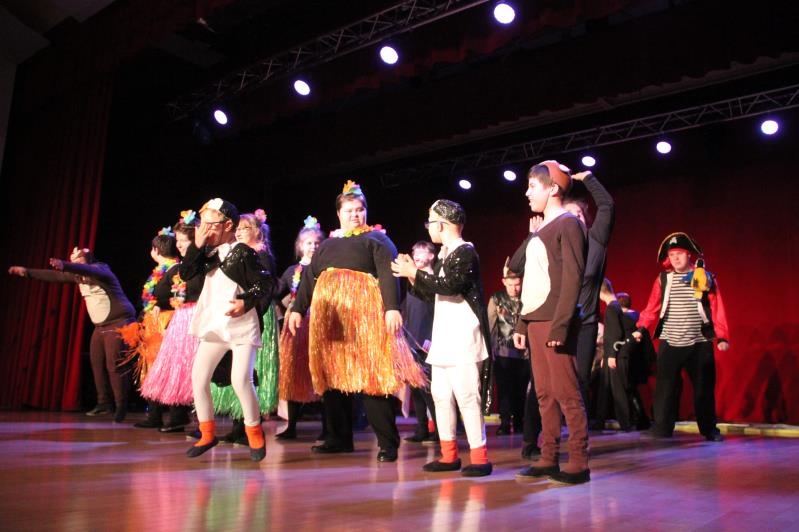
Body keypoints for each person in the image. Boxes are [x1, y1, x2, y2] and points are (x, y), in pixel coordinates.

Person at [287, 180, 425, 463]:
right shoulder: (327, 245)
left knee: (373, 379)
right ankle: (338, 438)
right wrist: (298, 309)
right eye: (349, 210)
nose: (355, 214)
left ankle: (387, 443)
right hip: (331, 323)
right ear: (339, 214)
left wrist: (391, 308)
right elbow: (310, 278)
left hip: (366, 320)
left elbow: (388, 274)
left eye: (359, 209)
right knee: (332, 377)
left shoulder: (376, 240)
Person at [392, 199, 493, 477]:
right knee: (440, 395)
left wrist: (415, 273)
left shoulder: (465, 252)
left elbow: (450, 286)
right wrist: (412, 277)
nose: (428, 227)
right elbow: (434, 295)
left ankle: (480, 457)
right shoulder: (445, 255)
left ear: (442, 224)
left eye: (431, 222)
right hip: (445, 337)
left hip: (463, 337)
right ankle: (449, 454)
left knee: (467, 396)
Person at [509, 160, 590, 485]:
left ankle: (579, 461)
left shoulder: (569, 224)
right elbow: (523, 274)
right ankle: (548, 456)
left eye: (533, 186)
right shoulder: (542, 229)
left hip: (555, 320)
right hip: (536, 320)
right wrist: (522, 324)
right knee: (543, 393)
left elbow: (573, 278)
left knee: (566, 392)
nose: (527, 193)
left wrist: (561, 324)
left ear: (553, 188)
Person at [180, 198, 275, 462]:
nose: (205, 229)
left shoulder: (242, 252)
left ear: (227, 225)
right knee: (199, 377)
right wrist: (196, 246)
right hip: (215, 324)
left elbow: (265, 283)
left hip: (241, 326)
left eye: (210, 224)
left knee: (240, 379)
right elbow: (186, 274)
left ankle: (253, 430)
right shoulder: (207, 254)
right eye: (202, 225)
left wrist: (245, 302)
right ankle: (207, 432)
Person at [9, 247, 136, 422]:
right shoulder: (77, 275)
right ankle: (104, 403)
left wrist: (65, 265)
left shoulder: (101, 269)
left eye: (78, 261)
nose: (75, 264)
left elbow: (88, 270)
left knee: (113, 365)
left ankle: (121, 405)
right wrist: (27, 272)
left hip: (119, 322)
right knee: (97, 363)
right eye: (72, 261)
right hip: (100, 327)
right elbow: (54, 276)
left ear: (87, 261)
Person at [633, 232, 729, 442]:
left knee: (703, 389)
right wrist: (641, 328)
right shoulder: (663, 279)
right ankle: (662, 428)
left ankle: (709, 430)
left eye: (679, 254)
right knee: (665, 388)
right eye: (672, 255)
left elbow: (716, 307)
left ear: (689, 255)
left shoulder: (705, 277)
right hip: (670, 340)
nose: (675, 258)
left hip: (699, 342)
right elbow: (652, 307)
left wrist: (721, 337)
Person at [211, 209, 279, 444]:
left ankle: (248, 426)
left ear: (258, 231)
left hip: (255, 317)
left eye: (245, 228)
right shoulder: (235, 253)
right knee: (235, 370)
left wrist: (252, 311)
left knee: (248, 372)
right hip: (237, 315)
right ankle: (238, 425)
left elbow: (265, 290)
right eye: (237, 228)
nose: (239, 232)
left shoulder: (260, 255)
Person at [140, 211, 203, 433]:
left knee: (197, 369)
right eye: (178, 240)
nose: (179, 245)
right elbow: (162, 292)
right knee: (179, 368)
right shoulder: (180, 268)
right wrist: (163, 302)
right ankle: (178, 417)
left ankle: (201, 422)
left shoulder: (203, 265)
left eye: (184, 240)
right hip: (181, 319)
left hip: (199, 318)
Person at [562, 170, 614, 424]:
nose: (575, 218)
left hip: (586, 323)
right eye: (569, 215)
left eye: (579, 214)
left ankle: (578, 429)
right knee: (557, 378)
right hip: (560, 321)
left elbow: (607, 205)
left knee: (581, 377)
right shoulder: (556, 245)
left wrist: (588, 179)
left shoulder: (596, 240)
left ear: (585, 218)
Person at [122, 230, 181, 430]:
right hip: (153, 325)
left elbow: (179, 296)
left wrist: (160, 304)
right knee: (151, 369)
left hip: (167, 324)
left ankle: (177, 417)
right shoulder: (159, 272)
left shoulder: (176, 270)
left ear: (156, 250)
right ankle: (154, 415)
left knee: (170, 368)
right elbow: (150, 299)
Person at [275, 216, 325, 440]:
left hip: (319, 323)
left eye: (317, 243)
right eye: (309, 243)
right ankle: (291, 426)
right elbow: (277, 292)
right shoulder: (291, 271)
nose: (313, 246)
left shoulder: (325, 270)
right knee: (293, 373)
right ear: (300, 246)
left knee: (321, 374)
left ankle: (328, 428)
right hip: (296, 326)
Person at [595, 280, 651, 431]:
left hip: (616, 355)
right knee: (606, 390)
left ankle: (626, 423)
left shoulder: (612, 307)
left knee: (619, 390)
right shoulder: (614, 307)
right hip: (612, 354)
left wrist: (611, 355)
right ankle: (600, 421)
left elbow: (615, 333)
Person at [401, 241, 438, 445]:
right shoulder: (412, 280)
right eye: (415, 251)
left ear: (431, 256)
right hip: (411, 338)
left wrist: (431, 337)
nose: (417, 255)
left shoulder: (434, 280)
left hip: (426, 340)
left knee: (428, 388)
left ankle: (440, 431)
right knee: (415, 386)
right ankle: (422, 428)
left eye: (422, 251)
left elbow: (437, 313)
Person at [488, 270, 529, 436]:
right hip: (503, 351)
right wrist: (490, 348)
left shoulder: (528, 298)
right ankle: (505, 422)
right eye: (510, 285)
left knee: (521, 388)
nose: (514, 289)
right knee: (504, 389)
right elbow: (491, 324)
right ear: (504, 282)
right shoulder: (497, 299)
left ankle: (519, 421)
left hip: (524, 352)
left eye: (517, 284)